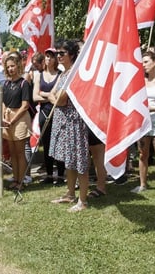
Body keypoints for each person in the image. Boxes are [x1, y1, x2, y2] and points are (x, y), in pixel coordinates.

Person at [49, 40, 90, 212]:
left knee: (79, 161)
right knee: (69, 161)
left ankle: (83, 200)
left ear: (71, 55)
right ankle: (70, 194)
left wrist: (54, 98)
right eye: (57, 53)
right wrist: (54, 97)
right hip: (63, 121)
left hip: (74, 122)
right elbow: (53, 95)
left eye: (62, 53)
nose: (58, 56)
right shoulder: (63, 74)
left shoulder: (74, 74)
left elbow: (61, 99)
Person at [131, 51, 155, 199]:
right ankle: (142, 184)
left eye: (146, 62)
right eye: (142, 62)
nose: (143, 65)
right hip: (143, 121)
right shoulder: (140, 81)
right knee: (143, 154)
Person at [32, 48, 63, 184]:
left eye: (51, 56)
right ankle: (49, 174)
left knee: (59, 143)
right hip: (44, 112)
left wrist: (43, 93)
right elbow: (34, 96)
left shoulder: (60, 75)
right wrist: (48, 95)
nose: (48, 59)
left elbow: (56, 95)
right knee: (47, 144)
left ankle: (61, 174)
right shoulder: (39, 75)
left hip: (57, 112)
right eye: (47, 56)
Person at [1, 53, 31, 190]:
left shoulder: (24, 83)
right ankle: (15, 178)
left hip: (19, 118)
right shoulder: (6, 83)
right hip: (7, 118)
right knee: (12, 152)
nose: (11, 69)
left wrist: (13, 119)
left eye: (13, 66)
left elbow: (25, 105)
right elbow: (3, 102)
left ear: (18, 66)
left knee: (20, 152)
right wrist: (3, 117)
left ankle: (21, 181)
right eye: (8, 67)